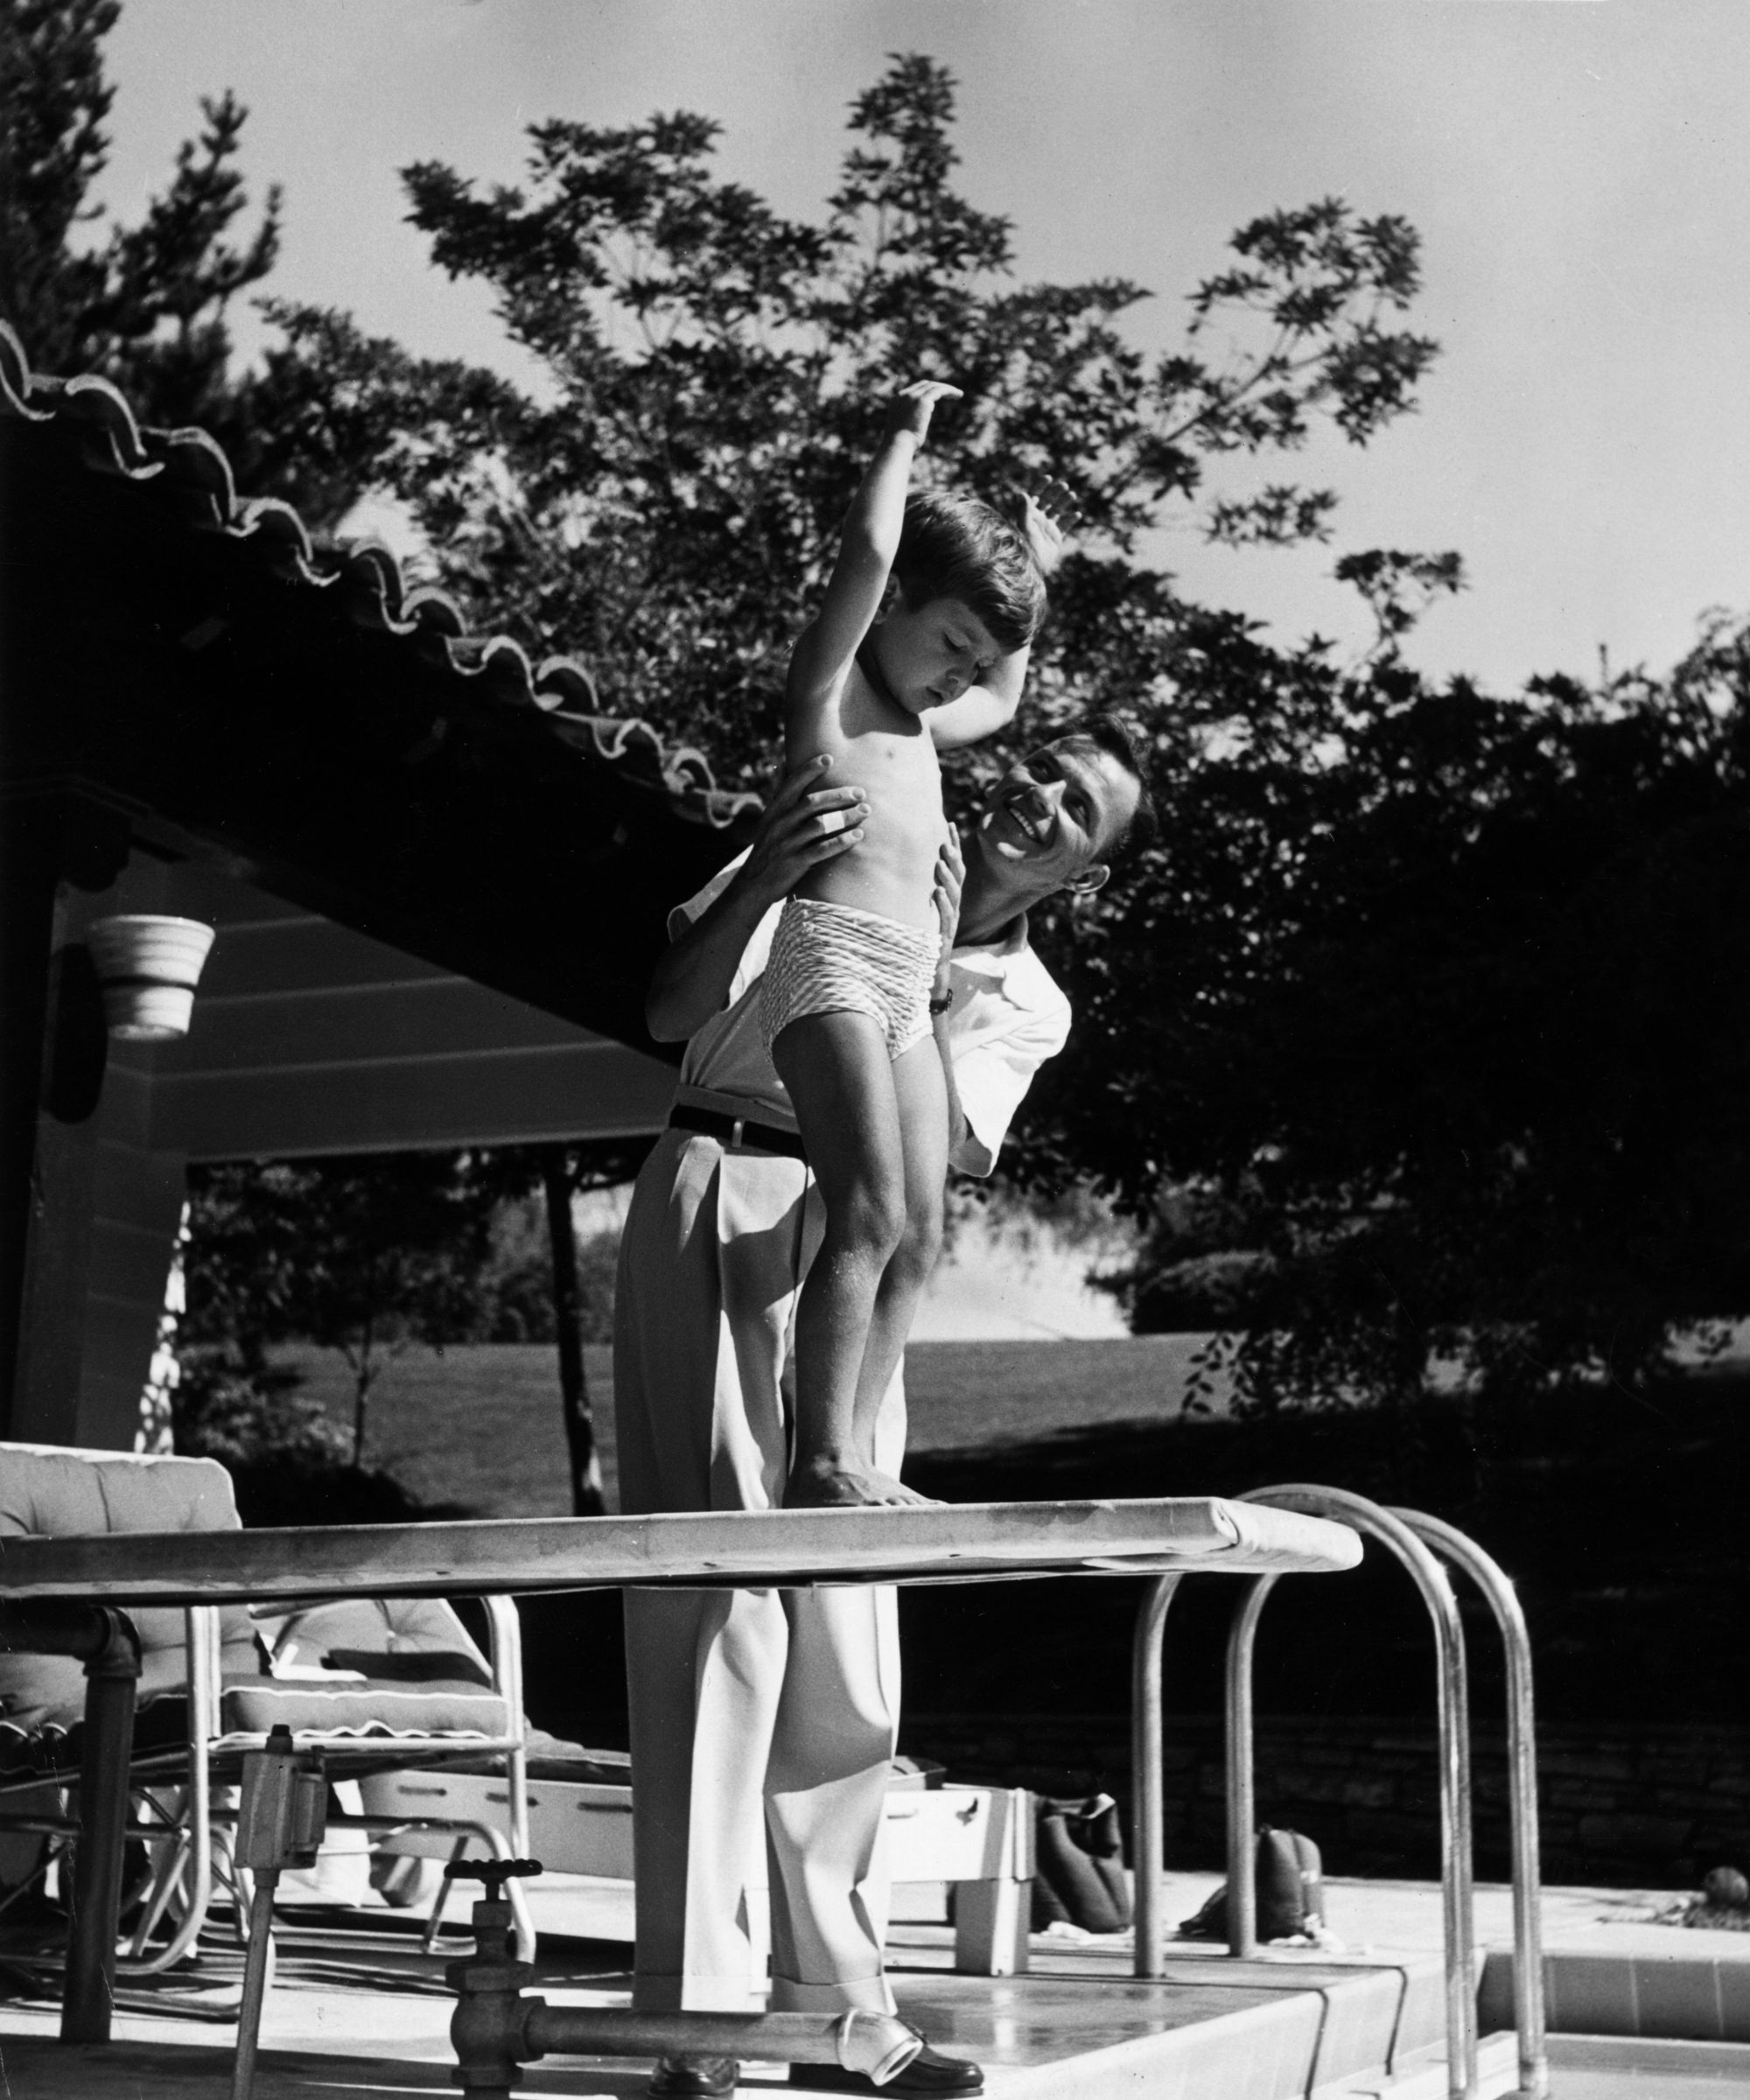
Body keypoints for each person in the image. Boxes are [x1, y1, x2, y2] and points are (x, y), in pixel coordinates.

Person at [614, 717, 1153, 2098]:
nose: (1038, 799)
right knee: (713, 1601)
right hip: (717, 1185)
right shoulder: (846, 825)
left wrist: (914, 948)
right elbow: (672, 1010)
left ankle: (842, 2009)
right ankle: (696, 2013)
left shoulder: (1024, 999)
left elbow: (920, 1172)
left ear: (1084, 873)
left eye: (1075, 807)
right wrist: (766, 879)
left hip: (859, 1255)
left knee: (845, 1629)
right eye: (1045, 768)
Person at [760, 378, 1050, 1512]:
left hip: (904, 989)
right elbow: (872, 550)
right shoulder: (830, 692)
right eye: (951, 644)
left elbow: (1011, 690)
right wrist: (902, 436)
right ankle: (818, 1456)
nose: (960, 676)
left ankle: (860, 1450)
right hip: (829, 955)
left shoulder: (931, 723)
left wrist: (1034, 566)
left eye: (973, 665)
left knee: (921, 1233)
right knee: (867, 1208)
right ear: (894, 607)